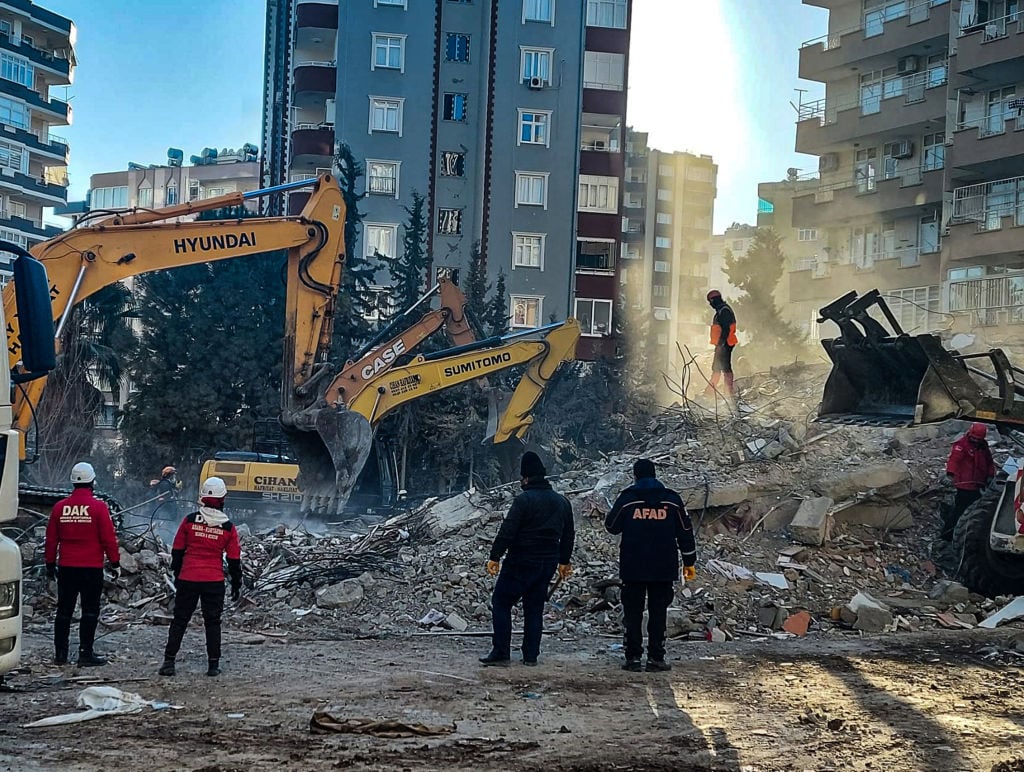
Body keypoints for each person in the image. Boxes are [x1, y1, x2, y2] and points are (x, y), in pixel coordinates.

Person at [480, 451, 574, 667]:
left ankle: (501, 651)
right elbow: (569, 534)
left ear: (526, 478)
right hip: (547, 563)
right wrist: (564, 561)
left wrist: (495, 556)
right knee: (534, 609)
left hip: (521, 562)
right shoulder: (562, 502)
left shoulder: (524, 500)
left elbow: (508, 531)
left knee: (501, 602)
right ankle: (530, 655)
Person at [605, 458, 696, 673]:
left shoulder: (628, 500)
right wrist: (689, 561)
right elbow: (685, 532)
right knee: (658, 612)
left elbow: (611, 526)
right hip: (663, 566)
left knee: (633, 612)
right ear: (655, 475)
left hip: (633, 566)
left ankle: (633, 658)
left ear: (635, 476)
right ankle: (656, 657)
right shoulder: (671, 500)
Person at [159, 477, 242, 677]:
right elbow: (234, 560)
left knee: (180, 620)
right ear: (223, 499)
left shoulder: (189, 521)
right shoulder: (228, 527)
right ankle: (213, 665)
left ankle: (169, 662)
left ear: (202, 497)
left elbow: (177, 551)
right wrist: (236, 584)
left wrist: (177, 574)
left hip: (189, 577)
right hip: (213, 581)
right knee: (212, 622)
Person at [44, 462, 120, 667]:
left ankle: (61, 654)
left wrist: (50, 565)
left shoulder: (60, 507)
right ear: (92, 482)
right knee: (89, 611)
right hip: (91, 569)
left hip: (67, 567)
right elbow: (108, 538)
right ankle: (85, 654)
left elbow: (51, 540)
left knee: (64, 612)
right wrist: (115, 562)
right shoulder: (99, 507)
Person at [942, 423, 995, 540]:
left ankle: (966, 535)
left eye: (978, 439)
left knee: (974, 511)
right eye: (974, 438)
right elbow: (954, 460)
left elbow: (989, 462)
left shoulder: (983, 446)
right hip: (964, 485)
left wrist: (990, 475)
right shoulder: (961, 445)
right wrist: (950, 475)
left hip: (978, 484)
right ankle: (947, 536)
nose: (975, 440)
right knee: (960, 510)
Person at [703, 289, 738, 399]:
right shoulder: (722, 310)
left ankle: (727, 391)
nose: (710, 304)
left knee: (724, 367)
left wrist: (721, 345)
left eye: (710, 301)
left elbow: (725, 330)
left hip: (725, 344)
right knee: (718, 367)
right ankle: (715, 390)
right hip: (723, 343)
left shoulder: (724, 311)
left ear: (714, 300)